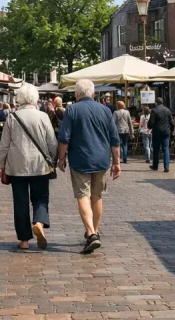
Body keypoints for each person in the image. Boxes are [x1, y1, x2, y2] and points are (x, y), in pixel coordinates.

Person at [57, 79, 120, 254]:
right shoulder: (105, 110)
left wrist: (61, 158)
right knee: (97, 196)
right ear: (93, 93)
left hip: (80, 159)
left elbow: (64, 138)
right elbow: (114, 139)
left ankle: (91, 233)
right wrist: (116, 163)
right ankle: (95, 231)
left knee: (83, 196)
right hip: (102, 159)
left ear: (76, 94)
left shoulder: (72, 110)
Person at [0, 84, 57, 250]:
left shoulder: (12, 117)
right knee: (41, 198)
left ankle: (24, 240)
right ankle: (39, 222)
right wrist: (53, 159)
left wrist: (2, 164)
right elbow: (52, 142)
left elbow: (4, 145)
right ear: (35, 98)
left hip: (17, 166)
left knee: (20, 202)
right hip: (39, 165)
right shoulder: (43, 116)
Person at [147, 98, 173, 172]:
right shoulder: (168, 110)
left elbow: (151, 122)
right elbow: (171, 121)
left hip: (157, 131)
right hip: (166, 132)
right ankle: (166, 167)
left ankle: (155, 166)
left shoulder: (154, 110)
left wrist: (149, 126)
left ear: (156, 103)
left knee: (156, 149)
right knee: (166, 149)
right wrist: (171, 129)